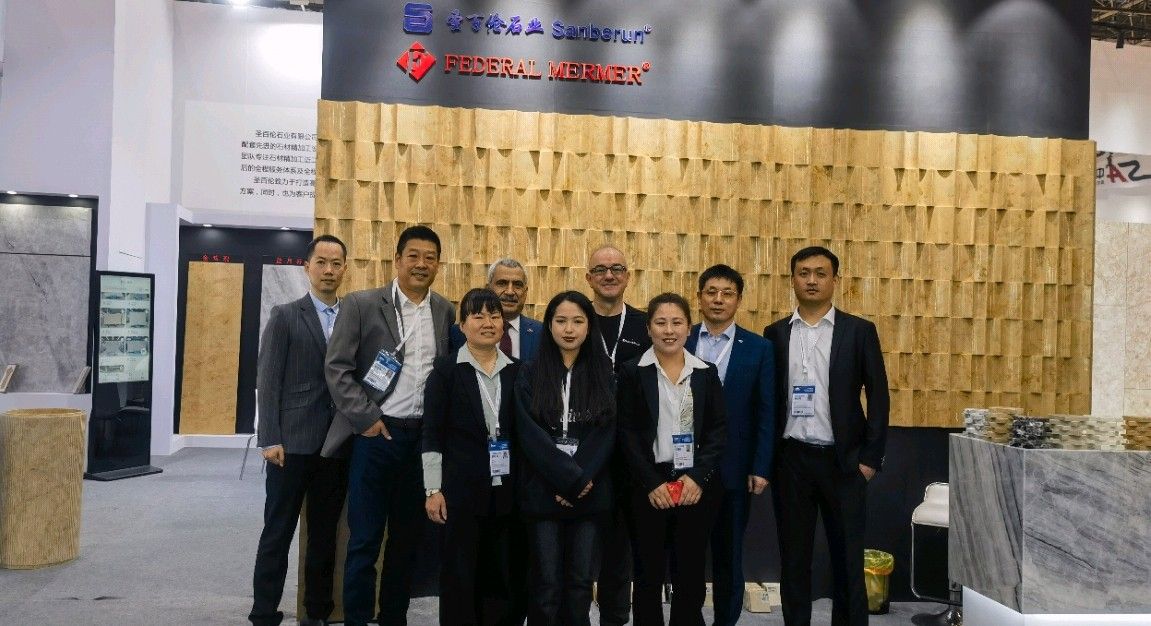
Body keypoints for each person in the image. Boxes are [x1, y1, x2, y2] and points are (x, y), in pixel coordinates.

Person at [323, 225, 455, 626]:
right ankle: (357, 619)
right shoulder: (362, 304)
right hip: (377, 436)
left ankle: (393, 618)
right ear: (397, 260)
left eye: (429, 257)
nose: (421, 264)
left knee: (406, 540)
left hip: (420, 440)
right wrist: (367, 418)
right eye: (413, 256)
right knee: (364, 540)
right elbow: (337, 369)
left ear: (438, 264)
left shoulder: (444, 310)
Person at [762, 246, 889, 626]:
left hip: (844, 461)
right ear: (793, 280)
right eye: (804, 273)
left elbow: (879, 396)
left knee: (847, 559)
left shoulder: (859, 331)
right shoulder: (775, 333)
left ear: (835, 280)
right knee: (793, 559)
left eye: (820, 273)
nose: (812, 280)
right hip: (791, 461)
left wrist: (870, 460)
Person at [249, 235, 349, 626]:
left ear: (344, 268)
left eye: (336, 263)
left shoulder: (353, 316)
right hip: (289, 446)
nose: (328, 270)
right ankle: (263, 611)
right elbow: (268, 380)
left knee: (323, 536)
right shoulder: (286, 315)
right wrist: (269, 438)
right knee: (278, 531)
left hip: (335, 446)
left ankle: (317, 612)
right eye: (321, 262)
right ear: (307, 267)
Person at [617, 292, 727, 626]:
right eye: (661, 323)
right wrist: (651, 482)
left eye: (677, 322)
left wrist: (697, 477)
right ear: (649, 328)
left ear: (689, 328)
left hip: (694, 485)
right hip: (648, 486)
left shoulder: (705, 372)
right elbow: (626, 434)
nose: (669, 330)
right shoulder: (632, 372)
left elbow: (717, 431)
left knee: (690, 575)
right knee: (647, 575)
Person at [422, 288, 527, 625]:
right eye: (478, 316)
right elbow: (431, 434)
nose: (488, 323)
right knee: (459, 575)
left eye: (494, 316)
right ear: (462, 325)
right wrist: (433, 489)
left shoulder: (519, 371)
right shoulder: (445, 371)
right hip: (460, 493)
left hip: (509, 492)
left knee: (502, 575)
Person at [515, 291, 617, 626]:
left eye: (577, 321)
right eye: (561, 321)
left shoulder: (604, 372)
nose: (569, 329)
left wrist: (578, 480)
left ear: (589, 327)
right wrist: (565, 479)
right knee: (545, 584)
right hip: (544, 492)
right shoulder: (530, 372)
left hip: (589, 493)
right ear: (549, 325)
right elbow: (530, 434)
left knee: (580, 583)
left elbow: (605, 433)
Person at [684, 264, 776, 626]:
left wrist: (761, 466)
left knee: (729, 555)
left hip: (734, 468)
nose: (718, 300)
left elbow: (766, 411)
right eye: (711, 292)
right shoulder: (680, 338)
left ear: (738, 300)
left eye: (727, 293)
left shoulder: (758, 348)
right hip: (685, 466)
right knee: (687, 554)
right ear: (699, 297)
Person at [584, 244, 650, 625]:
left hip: (630, 454)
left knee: (619, 548)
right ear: (588, 277)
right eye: (600, 269)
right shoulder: (575, 319)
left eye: (617, 268)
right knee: (578, 546)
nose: (609, 275)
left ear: (628, 276)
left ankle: (615, 617)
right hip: (582, 451)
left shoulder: (645, 325)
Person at [450, 258, 543, 360]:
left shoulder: (542, 333)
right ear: (488, 289)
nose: (510, 292)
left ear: (525, 292)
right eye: (502, 283)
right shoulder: (458, 333)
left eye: (517, 285)